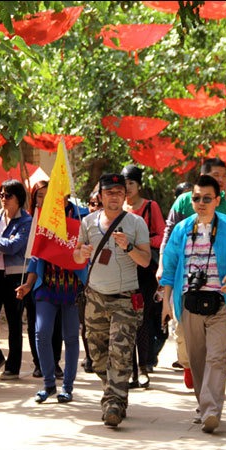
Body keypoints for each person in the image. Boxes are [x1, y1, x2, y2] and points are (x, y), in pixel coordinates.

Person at [161, 175, 226, 433]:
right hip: (189, 303)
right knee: (197, 360)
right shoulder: (182, 228)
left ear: (218, 200)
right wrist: (166, 301)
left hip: (221, 302)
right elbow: (170, 265)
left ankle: (211, 410)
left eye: (207, 198)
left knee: (217, 358)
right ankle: (204, 405)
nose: (200, 203)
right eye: (196, 198)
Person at [73, 173, 151, 427]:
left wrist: (129, 247)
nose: (115, 196)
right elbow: (75, 256)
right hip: (95, 298)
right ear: (101, 196)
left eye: (119, 192)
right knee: (97, 356)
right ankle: (113, 393)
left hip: (125, 298)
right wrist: (80, 253)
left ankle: (114, 403)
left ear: (124, 196)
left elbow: (146, 261)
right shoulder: (87, 222)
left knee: (121, 352)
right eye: (109, 192)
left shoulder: (136, 223)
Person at [16, 185, 88, 404]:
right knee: (42, 333)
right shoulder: (44, 219)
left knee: (71, 338)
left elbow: (89, 250)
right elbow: (37, 255)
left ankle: (67, 387)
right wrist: (28, 284)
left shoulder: (81, 217)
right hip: (47, 286)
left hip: (73, 288)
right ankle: (48, 384)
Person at [0, 180, 33, 379]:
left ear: (18, 198)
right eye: (1, 195)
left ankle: (13, 367)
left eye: (8, 195)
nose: (3, 199)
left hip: (15, 276)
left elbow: (15, 247)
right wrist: (0, 243)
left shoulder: (26, 221)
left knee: (14, 321)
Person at [122, 165, 165, 388]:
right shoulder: (118, 207)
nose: (127, 188)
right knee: (125, 319)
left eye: (131, 183)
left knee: (143, 318)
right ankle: (129, 370)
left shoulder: (150, 207)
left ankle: (145, 366)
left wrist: (142, 243)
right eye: (124, 183)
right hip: (121, 270)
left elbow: (162, 234)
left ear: (139, 184)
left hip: (145, 270)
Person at [27, 180, 64, 380]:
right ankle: (38, 363)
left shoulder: (58, 220)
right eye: (39, 196)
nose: (42, 200)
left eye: (46, 195)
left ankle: (55, 362)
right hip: (28, 276)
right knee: (34, 322)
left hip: (53, 277)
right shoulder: (27, 220)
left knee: (54, 322)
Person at [80, 188, 102, 373]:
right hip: (83, 282)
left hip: (104, 282)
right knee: (86, 323)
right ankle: (89, 357)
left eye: (99, 204)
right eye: (92, 204)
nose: (95, 207)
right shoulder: (82, 226)